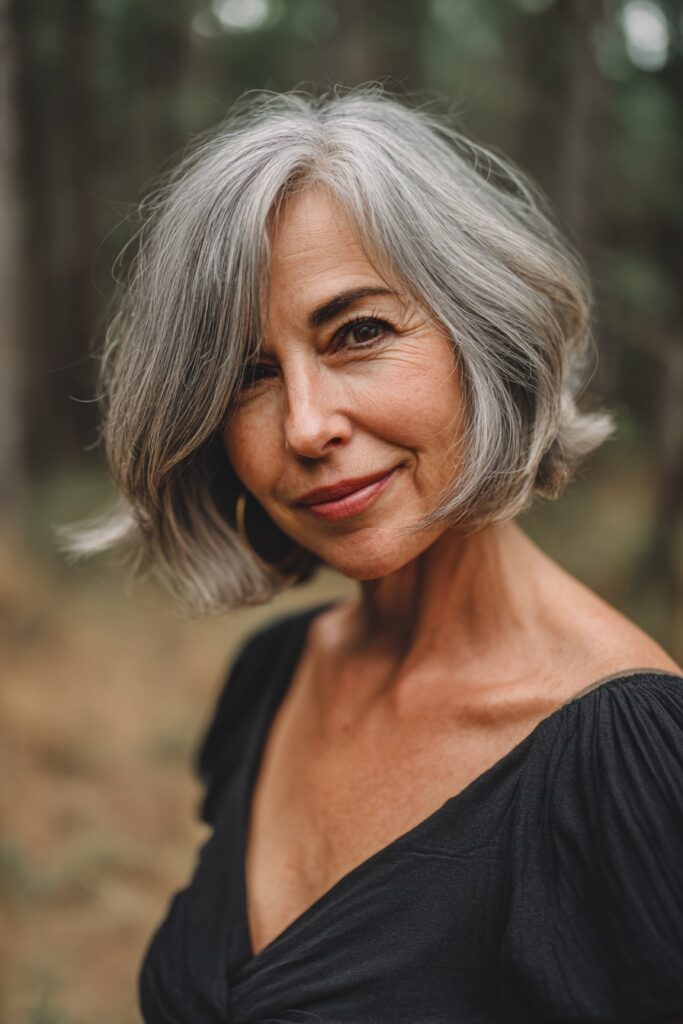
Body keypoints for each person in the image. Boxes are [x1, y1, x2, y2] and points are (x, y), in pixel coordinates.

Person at [69, 86, 683, 1023]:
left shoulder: (623, 756)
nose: (307, 427)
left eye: (357, 333)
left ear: (485, 332)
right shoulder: (272, 679)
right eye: (248, 376)